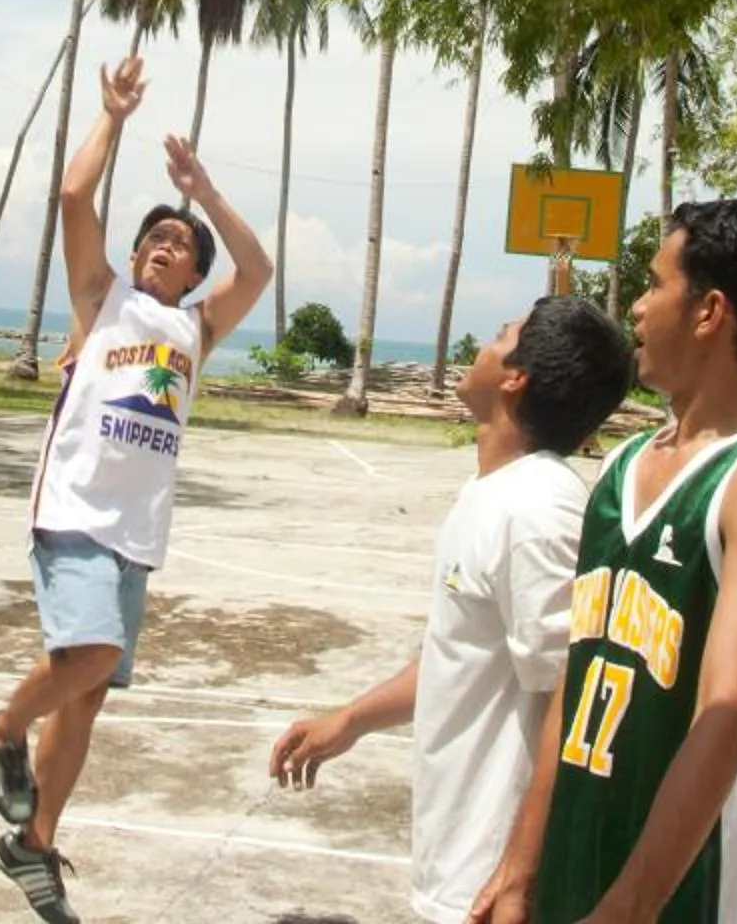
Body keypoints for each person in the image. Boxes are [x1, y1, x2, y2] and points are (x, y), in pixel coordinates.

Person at [475, 199, 737, 924]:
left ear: (709, 312)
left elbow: (724, 715)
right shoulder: (623, 467)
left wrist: (630, 907)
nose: (636, 307)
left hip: (697, 889)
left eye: (655, 283)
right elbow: (578, 680)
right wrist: (520, 866)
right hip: (587, 856)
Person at [0, 55, 275, 924]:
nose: (160, 244)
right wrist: (110, 116)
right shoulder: (101, 298)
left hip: (135, 535)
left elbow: (255, 269)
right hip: (73, 510)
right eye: (153, 235)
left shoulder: (195, 326)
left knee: (87, 699)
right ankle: (1, 729)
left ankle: (33, 847)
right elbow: (75, 201)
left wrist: (203, 189)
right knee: (94, 658)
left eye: (176, 244)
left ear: (191, 275)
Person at [271, 297, 638, 923]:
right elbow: (458, 656)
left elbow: (572, 702)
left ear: (516, 377)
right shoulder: (491, 492)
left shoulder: (539, 512)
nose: (483, 343)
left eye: (500, 334)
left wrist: (520, 874)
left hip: (496, 877)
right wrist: (352, 719)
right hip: (462, 859)